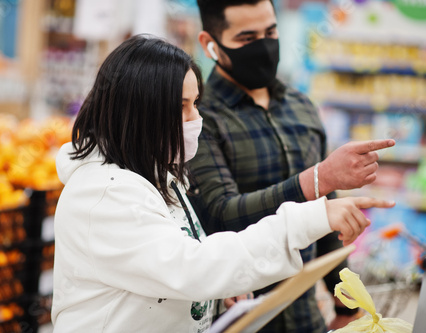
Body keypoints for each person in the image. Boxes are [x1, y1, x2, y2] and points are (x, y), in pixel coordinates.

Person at [51, 34, 393, 332]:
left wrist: (211, 300)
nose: (195, 119)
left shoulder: (157, 176)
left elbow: (167, 266)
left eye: (196, 104)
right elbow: (193, 268)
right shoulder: (104, 193)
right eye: (181, 107)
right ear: (138, 112)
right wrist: (309, 218)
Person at [189, 1, 396, 332]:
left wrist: (347, 303)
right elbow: (220, 214)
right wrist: (318, 178)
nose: (264, 45)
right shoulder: (199, 118)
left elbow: (326, 213)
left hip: (306, 318)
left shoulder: (302, 108)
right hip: (238, 320)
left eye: (270, 32)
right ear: (209, 43)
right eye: (247, 38)